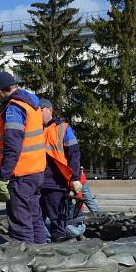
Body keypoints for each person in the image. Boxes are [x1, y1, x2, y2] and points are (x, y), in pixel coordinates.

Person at [0, 71, 47, 244]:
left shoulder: (14, 108)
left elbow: (12, 146)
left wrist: (3, 176)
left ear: (1, 91)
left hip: (20, 174)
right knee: (35, 219)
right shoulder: (32, 104)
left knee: (21, 225)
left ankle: (25, 264)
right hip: (36, 172)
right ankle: (42, 256)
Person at [39, 99, 82, 242]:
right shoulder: (33, 129)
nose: (37, 113)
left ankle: (60, 247)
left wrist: (75, 178)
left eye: (40, 110)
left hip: (56, 183)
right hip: (37, 182)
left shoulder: (62, 128)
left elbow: (74, 154)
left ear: (49, 110)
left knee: (57, 219)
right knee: (37, 220)